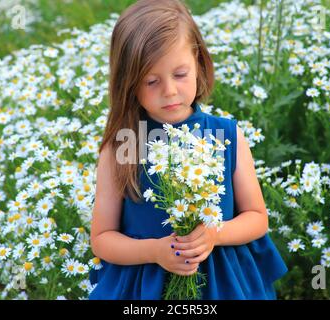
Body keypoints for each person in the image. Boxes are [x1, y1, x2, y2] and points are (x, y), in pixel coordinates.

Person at [88, 0, 288, 300]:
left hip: (223, 283)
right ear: (128, 84)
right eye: (151, 81)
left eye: (180, 74)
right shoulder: (123, 144)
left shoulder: (226, 135)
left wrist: (212, 235)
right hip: (145, 285)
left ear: (198, 62)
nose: (169, 90)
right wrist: (155, 251)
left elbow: (257, 218)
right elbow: (102, 239)